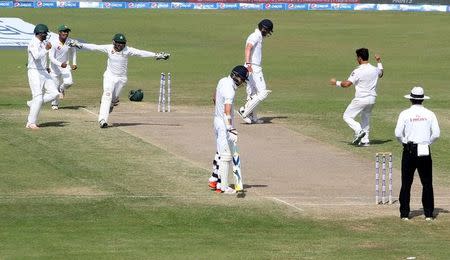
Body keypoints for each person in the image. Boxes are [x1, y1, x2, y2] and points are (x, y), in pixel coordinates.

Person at [69, 33, 170, 128]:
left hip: (121, 78)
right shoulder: (109, 48)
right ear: (114, 42)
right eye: (119, 44)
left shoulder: (127, 50)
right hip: (109, 76)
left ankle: (111, 104)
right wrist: (79, 44)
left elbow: (140, 53)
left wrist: (157, 55)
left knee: (113, 99)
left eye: (122, 44)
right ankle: (102, 120)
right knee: (107, 95)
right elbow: (95, 47)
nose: (121, 46)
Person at [395, 86, 440, 221]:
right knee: (427, 182)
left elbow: (397, 133)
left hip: (409, 149)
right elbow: (436, 134)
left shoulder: (404, 113)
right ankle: (428, 214)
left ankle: (404, 214)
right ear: (422, 100)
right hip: (424, 149)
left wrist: (404, 142)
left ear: (411, 99)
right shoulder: (430, 113)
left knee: (406, 183)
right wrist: (427, 143)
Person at [330, 48, 384, 146]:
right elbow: (381, 73)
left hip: (361, 99)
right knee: (365, 118)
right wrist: (378, 60)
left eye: (357, 57)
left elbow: (346, 84)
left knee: (347, 116)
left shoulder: (358, 71)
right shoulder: (374, 69)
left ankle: (359, 131)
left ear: (359, 58)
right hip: (372, 99)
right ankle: (365, 140)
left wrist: (336, 83)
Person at [209, 65, 249, 194]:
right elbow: (227, 111)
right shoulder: (230, 91)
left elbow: (214, 97)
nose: (242, 83)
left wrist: (218, 113)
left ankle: (214, 179)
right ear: (237, 78)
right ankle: (223, 187)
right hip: (223, 125)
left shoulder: (222, 81)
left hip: (217, 121)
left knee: (220, 151)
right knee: (225, 155)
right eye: (243, 80)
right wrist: (230, 128)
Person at [238, 19, 274, 124]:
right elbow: (248, 48)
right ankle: (244, 112)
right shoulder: (255, 36)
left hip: (252, 66)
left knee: (253, 94)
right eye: (268, 31)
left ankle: (254, 118)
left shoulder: (258, 36)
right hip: (253, 67)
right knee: (263, 93)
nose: (267, 33)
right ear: (264, 29)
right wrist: (249, 64)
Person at [25, 24, 60, 129]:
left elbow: (44, 57)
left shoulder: (43, 42)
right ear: (40, 33)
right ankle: (31, 123)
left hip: (44, 72)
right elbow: (36, 56)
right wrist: (46, 49)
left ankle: (33, 103)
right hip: (34, 72)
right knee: (38, 98)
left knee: (55, 93)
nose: (46, 35)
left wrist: (46, 67)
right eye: (45, 33)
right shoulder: (33, 43)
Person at [49, 24, 78, 110]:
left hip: (65, 66)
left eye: (67, 32)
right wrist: (60, 64)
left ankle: (62, 89)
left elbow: (73, 52)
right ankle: (54, 104)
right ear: (59, 32)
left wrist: (74, 63)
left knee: (69, 82)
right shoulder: (53, 42)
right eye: (64, 32)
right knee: (55, 87)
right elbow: (51, 57)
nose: (66, 33)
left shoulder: (70, 42)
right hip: (54, 68)